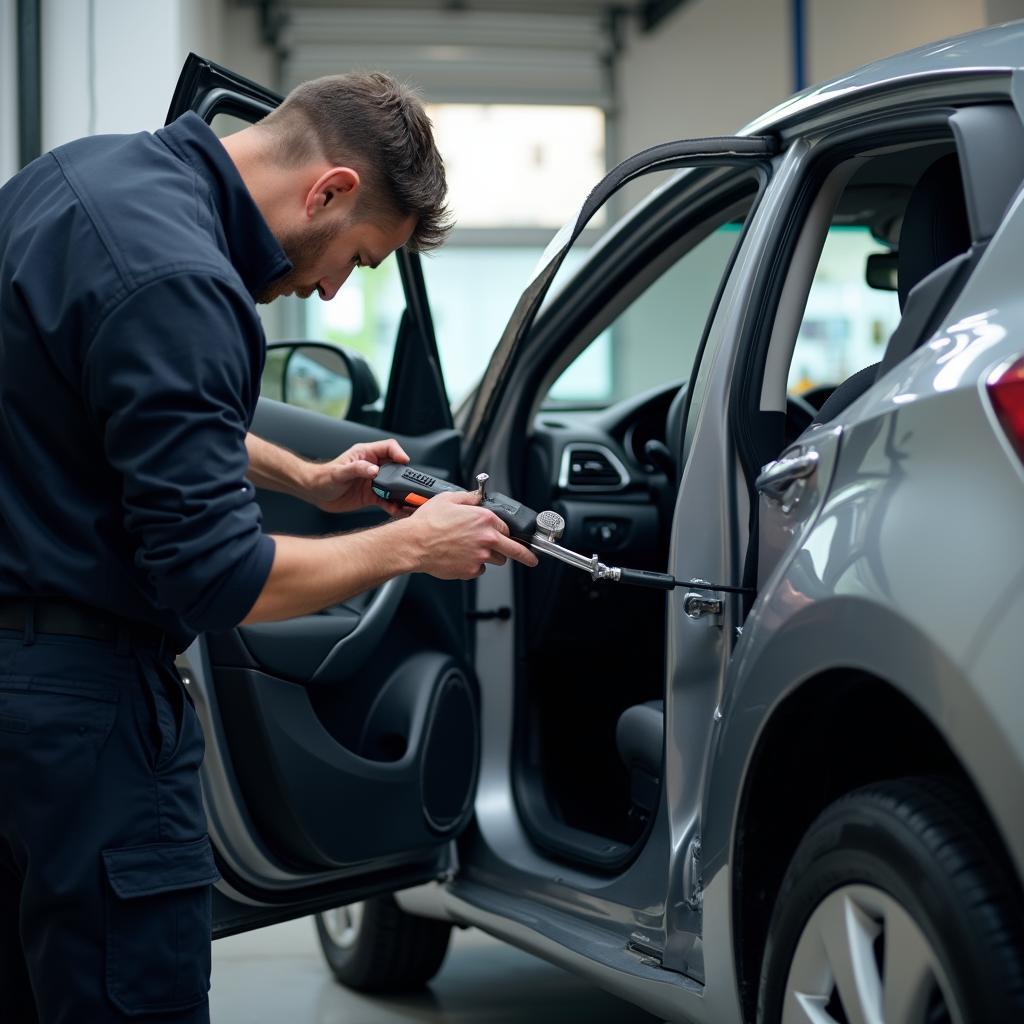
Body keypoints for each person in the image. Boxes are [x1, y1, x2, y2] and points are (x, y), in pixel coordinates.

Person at [0, 70, 537, 1023]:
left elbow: (114, 403)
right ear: (326, 190)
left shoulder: (72, 182)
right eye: (358, 259)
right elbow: (222, 579)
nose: (332, 292)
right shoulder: (189, 285)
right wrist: (414, 545)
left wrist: (303, 476)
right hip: (81, 721)